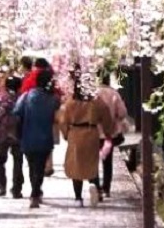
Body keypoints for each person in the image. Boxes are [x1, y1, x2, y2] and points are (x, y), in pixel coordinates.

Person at [59, 74, 113, 208]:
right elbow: (106, 116)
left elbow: (63, 120)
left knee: (76, 166)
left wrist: (66, 134)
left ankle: (78, 198)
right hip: (91, 133)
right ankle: (95, 186)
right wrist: (107, 132)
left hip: (75, 134)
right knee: (91, 164)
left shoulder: (71, 102)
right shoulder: (96, 101)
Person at [13, 68, 59, 209]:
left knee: (32, 166)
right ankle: (35, 192)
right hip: (45, 138)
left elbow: (16, 112)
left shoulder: (26, 96)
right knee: (39, 167)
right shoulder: (53, 99)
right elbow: (57, 116)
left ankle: (35, 192)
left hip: (28, 137)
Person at [95, 69, 128, 197]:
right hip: (110, 132)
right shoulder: (114, 94)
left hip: (95, 132)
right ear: (108, 80)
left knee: (94, 160)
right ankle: (106, 188)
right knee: (107, 161)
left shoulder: (94, 93)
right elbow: (122, 113)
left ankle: (96, 185)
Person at [0, 74, 24, 198]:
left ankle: (1, 186)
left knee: (0, 161)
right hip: (17, 133)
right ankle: (16, 189)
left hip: (2, 134)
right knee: (18, 161)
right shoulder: (21, 98)